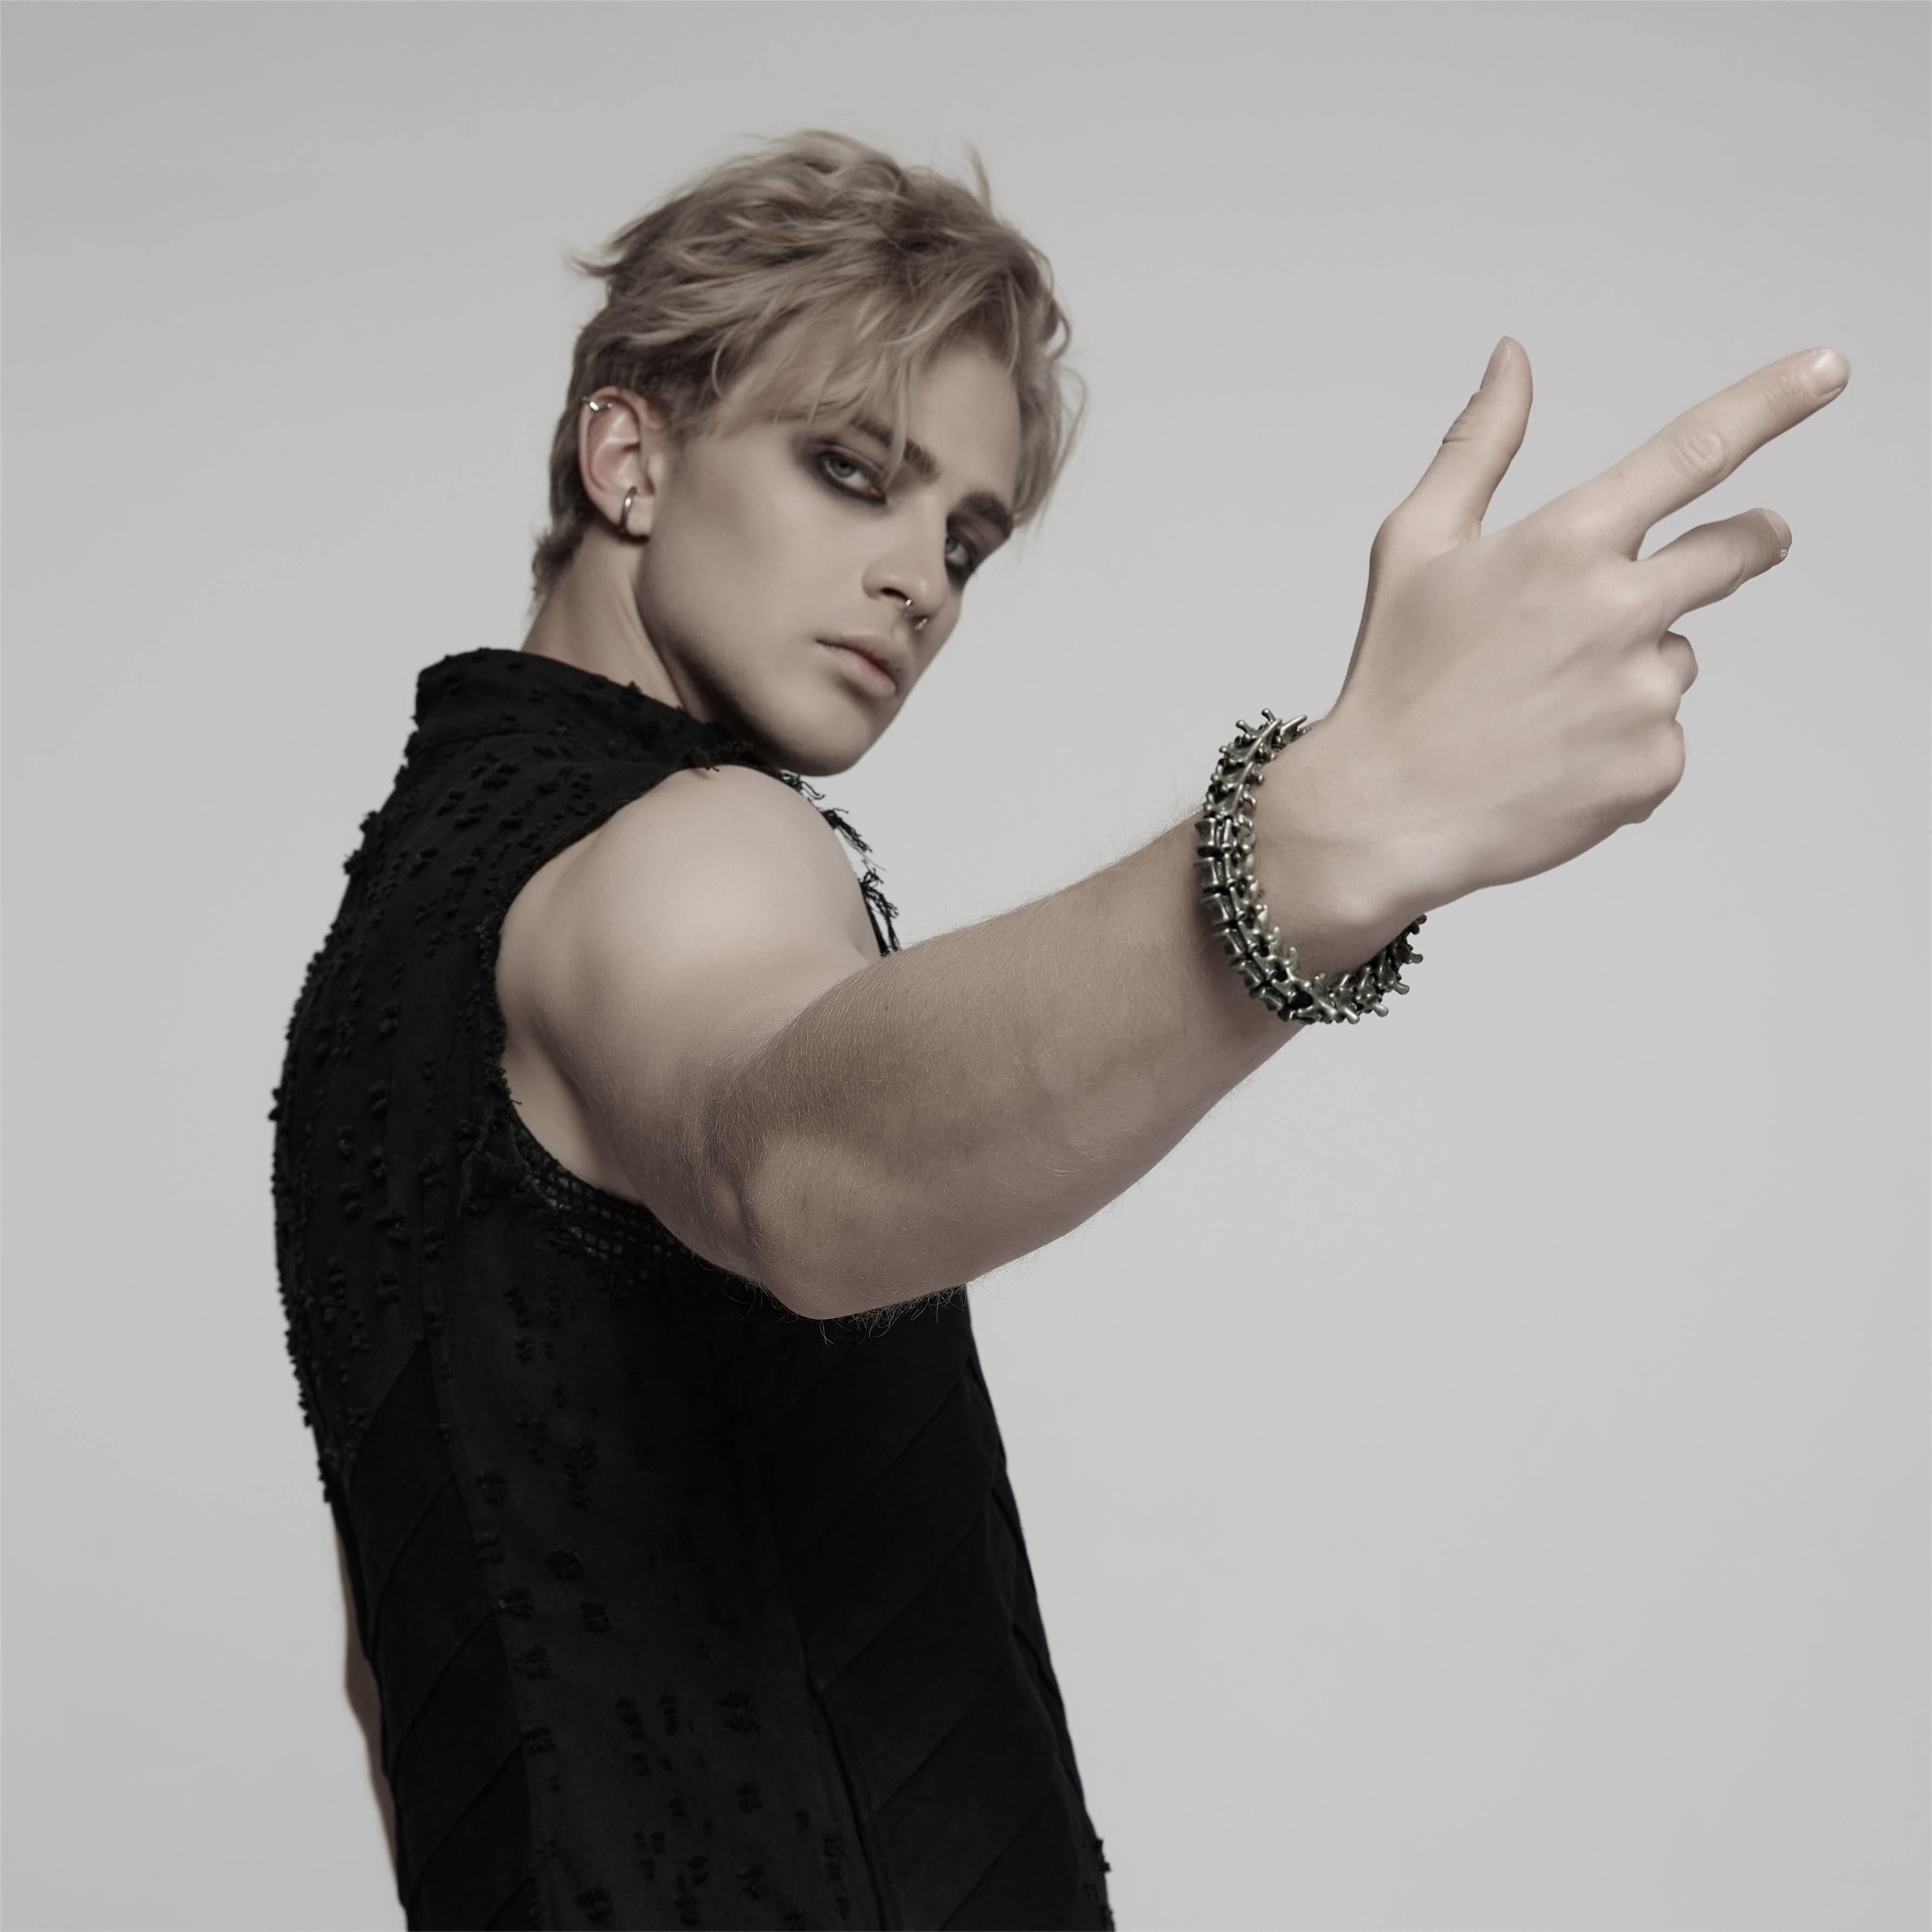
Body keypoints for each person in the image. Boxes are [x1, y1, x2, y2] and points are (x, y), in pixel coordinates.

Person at [272, 129, 1847, 1931]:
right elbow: (792, 1157)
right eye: (850, 470)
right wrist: (1319, 843)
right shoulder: (683, 843)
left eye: (966, 536)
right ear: (628, 456)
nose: (921, 580)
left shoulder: (399, 942)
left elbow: (396, 1673)